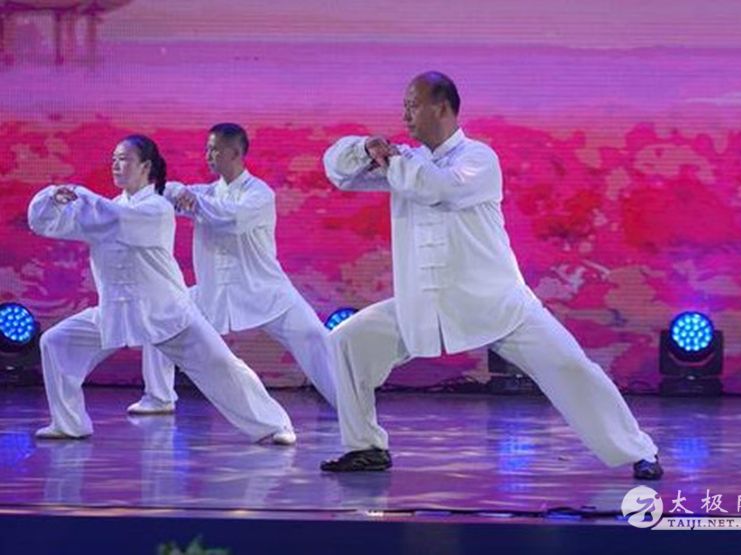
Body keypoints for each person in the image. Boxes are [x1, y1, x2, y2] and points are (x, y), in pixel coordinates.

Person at [320, 71, 663, 479]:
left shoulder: (477, 159)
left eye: (413, 105)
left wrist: (393, 159)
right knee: (348, 342)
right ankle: (366, 448)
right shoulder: (404, 162)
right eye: (404, 106)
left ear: (441, 108)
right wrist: (364, 148)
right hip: (426, 305)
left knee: (572, 367)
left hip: (495, 302)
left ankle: (638, 450)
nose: (405, 115)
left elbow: (438, 190)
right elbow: (338, 171)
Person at [27, 134, 295, 444]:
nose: (116, 165)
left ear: (146, 166)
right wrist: (52, 200)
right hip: (118, 311)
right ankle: (69, 423)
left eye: (124, 159)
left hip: (165, 311)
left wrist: (80, 195)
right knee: (56, 342)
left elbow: (116, 221)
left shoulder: (155, 208)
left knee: (222, 366)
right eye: (113, 159)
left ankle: (275, 425)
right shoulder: (109, 208)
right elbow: (47, 223)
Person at [126, 123, 336, 418]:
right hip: (213, 292)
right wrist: (179, 191)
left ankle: (350, 405)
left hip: (263, 290)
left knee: (315, 338)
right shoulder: (207, 192)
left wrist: (193, 200)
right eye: (207, 148)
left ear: (235, 153)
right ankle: (159, 397)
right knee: (160, 315)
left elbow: (231, 219)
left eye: (214, 149)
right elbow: (166, 192)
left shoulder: (259, 194)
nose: (208, 155)